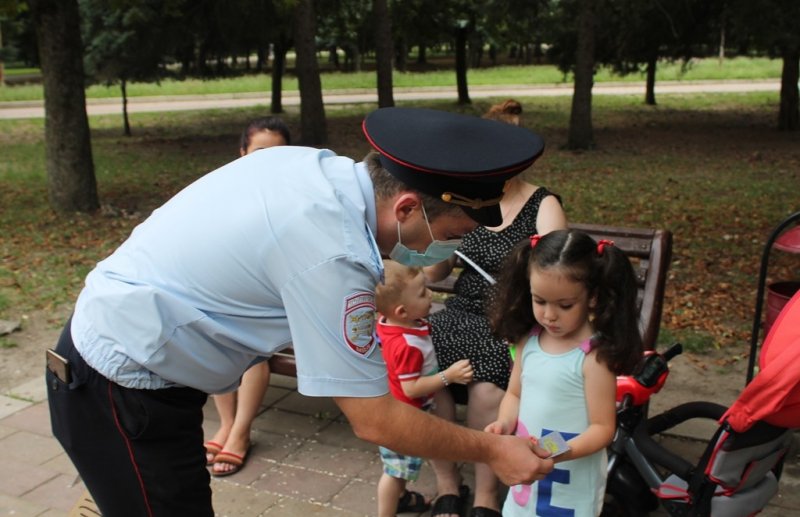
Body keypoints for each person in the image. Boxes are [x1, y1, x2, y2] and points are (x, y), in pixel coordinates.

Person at [45, 106, 555, 516]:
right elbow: (376, 420)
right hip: (122, 390)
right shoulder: (334, 255)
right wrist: (492, 451)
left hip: (127, 365)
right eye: (449, 235)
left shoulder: (315, 167)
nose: (441, 251)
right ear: (405, 209)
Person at [424, 99, 567, 517]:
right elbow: (434, 275)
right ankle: (448, 484)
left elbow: (557, 277)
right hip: (461, 310)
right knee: (426, 367)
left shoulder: (543, 205)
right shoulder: (463, 199)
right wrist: (442, 234)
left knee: (486, 385)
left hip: (512, 319)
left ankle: (487, 495)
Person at [485, 229, 644, 516]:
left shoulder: (593, 357)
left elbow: (602, 428)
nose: (549, 315)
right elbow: (514, 394)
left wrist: (552, 449)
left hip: (569, 486)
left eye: (565, 305)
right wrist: (504, 422)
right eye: (540, 301)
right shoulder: (529, 341)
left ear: (592, 297)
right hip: (529, 475)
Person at [205, 115, 292, 476]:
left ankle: (240, 432)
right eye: (259, 153)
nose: (268, 162)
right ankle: (226, 424)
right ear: (242, 153)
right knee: (213, 332)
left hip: (277, 293)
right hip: (230, 289)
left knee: (250, 346)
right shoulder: (220, 190)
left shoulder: (294, 196)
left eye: (278, 154)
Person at [374, 260, 474, 517]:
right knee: (394, 473)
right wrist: (448, 377)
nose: (430, 294)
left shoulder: (395, 323)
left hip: (398, 412)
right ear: (401, 311)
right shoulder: (407, 345)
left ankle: (403, 498)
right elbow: (411, 388)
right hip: (401, 419)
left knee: (401, 468)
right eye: (422, 293)